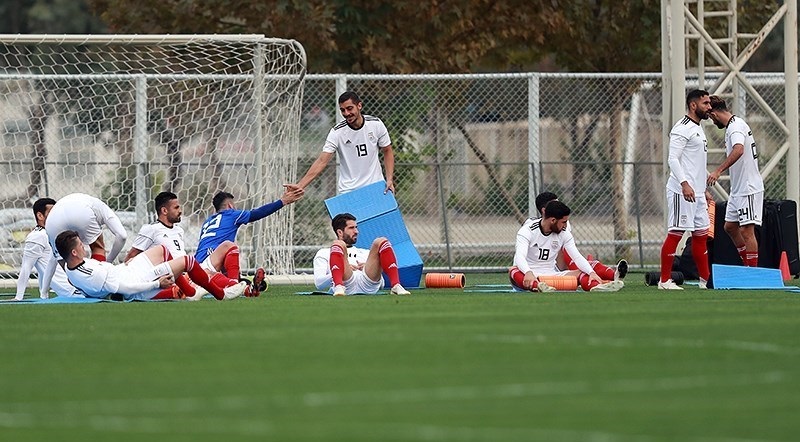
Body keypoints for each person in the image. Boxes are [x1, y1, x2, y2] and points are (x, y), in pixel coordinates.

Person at [54, 230, 247, 301]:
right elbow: (126, 288)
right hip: (137, 281)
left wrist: (125, 264)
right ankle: (221, 294)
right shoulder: (89, 273)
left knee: (162, 250)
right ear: (73, 252)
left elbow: (92, 288)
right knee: (187, 262)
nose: (83, 245)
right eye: (80, 244)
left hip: (127, 270)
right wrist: (157, 284)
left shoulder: (74, 267)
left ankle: (189, 291)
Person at [194, 188, 303, 293]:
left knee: (226, 267)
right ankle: (236, 284)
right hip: (209, 263)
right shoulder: (232, 214)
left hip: (196, 264)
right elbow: (257, 213)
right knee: (231, 248)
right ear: (230, 205)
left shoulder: (208, 222)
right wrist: (282, 202)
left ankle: (244, 286)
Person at [291, 91, 397, 195]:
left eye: (349, 108)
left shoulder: (376, 124)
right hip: (349, 191)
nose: (346, 113)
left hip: (375, 187)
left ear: (359, 105)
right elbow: (322, 161)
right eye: (343, 110)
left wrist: (389, 180)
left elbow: (387, 151)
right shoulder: (337, 132)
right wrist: (300, 186)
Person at [658, 89, 712, 290]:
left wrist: (702, 188)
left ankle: (706, 281)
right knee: (676, 233)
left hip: (697, 192)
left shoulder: (698, 128)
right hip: (683, 191)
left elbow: (695, 162)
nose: (709, 107)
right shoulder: (682, 128)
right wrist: (685, 184)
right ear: (693, 105)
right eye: (705, 103)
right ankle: (664, 281)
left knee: (701, 235)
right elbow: (673, 158)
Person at [509, 200, 624, 293]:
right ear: (553, 220)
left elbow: (577, 257)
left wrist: (591, 273)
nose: (565, 226)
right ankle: (537, 286)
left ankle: (596, 287)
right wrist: (528, 272)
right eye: (563, 222)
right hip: (529, 274)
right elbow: (520, 256)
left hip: (552, 274)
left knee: (582, 273)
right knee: (513, 271)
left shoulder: (564, 233)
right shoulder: (527, 231)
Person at [706, 95, 764, 267]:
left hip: (748, 187)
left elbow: (739, 150)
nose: (711, 121)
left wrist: (718, 170)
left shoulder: (735, 127)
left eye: (710, 117)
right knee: (730, 226)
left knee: (747, 231)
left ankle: (752, 272)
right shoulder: (733, 125)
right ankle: (746, 263)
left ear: (714, 114)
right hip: (738, 189)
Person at [39, 193, 129, 297]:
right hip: (81, 212)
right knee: (97, 247)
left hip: (53, 220)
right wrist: (107, 263)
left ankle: (83, 289)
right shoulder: (102, 208)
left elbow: (53, 258)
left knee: (66, 261)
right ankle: (100, 288)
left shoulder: (88, 203)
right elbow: (122, 236)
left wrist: (44, 291)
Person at [534, 191, 628, 280]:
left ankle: (613, 276)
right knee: (570, 256)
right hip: (549, 269)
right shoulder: (531, 227)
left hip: (566, 266)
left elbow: (575, 254)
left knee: (587, 265)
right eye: (555, 205)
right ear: (544, 211)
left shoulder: (563, 223)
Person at [313, 212, 411, 296]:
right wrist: (340, 271)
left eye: (356, 227)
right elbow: (319, 283)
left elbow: (381, 284)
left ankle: (396, 285)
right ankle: (339, 286)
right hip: (345, 284)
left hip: (367, 284)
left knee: (381, 241)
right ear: (340, 232)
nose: (356, 231)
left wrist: (368, 269)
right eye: (351, 228)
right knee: (338, 244)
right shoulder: (324, 253)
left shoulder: (365, 253)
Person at [9, 198, 83, 301]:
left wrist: (43, 294)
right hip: (72, 291)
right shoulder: (36, 237)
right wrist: (19, 297)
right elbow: (27, 267)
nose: (55, 216)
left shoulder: (56, 233)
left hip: (80, 285)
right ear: (40, 216)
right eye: (52, 212)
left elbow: (44, 265)